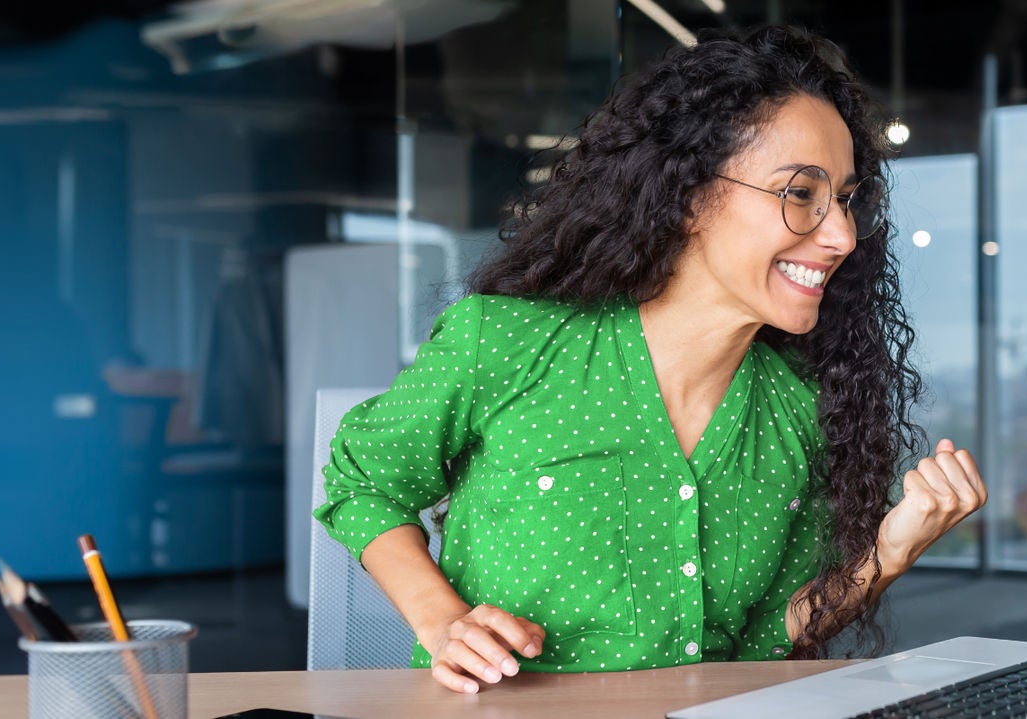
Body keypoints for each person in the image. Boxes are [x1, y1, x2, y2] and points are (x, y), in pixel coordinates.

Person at [313, 25, 986, 694]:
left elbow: (766, 645)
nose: (839, 234)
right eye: (800, 194)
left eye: (844, 199)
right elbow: (363, 478)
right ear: (692, 195)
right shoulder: (506, 341)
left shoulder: (796, 411)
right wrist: (442, 620)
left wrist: (885, 558)